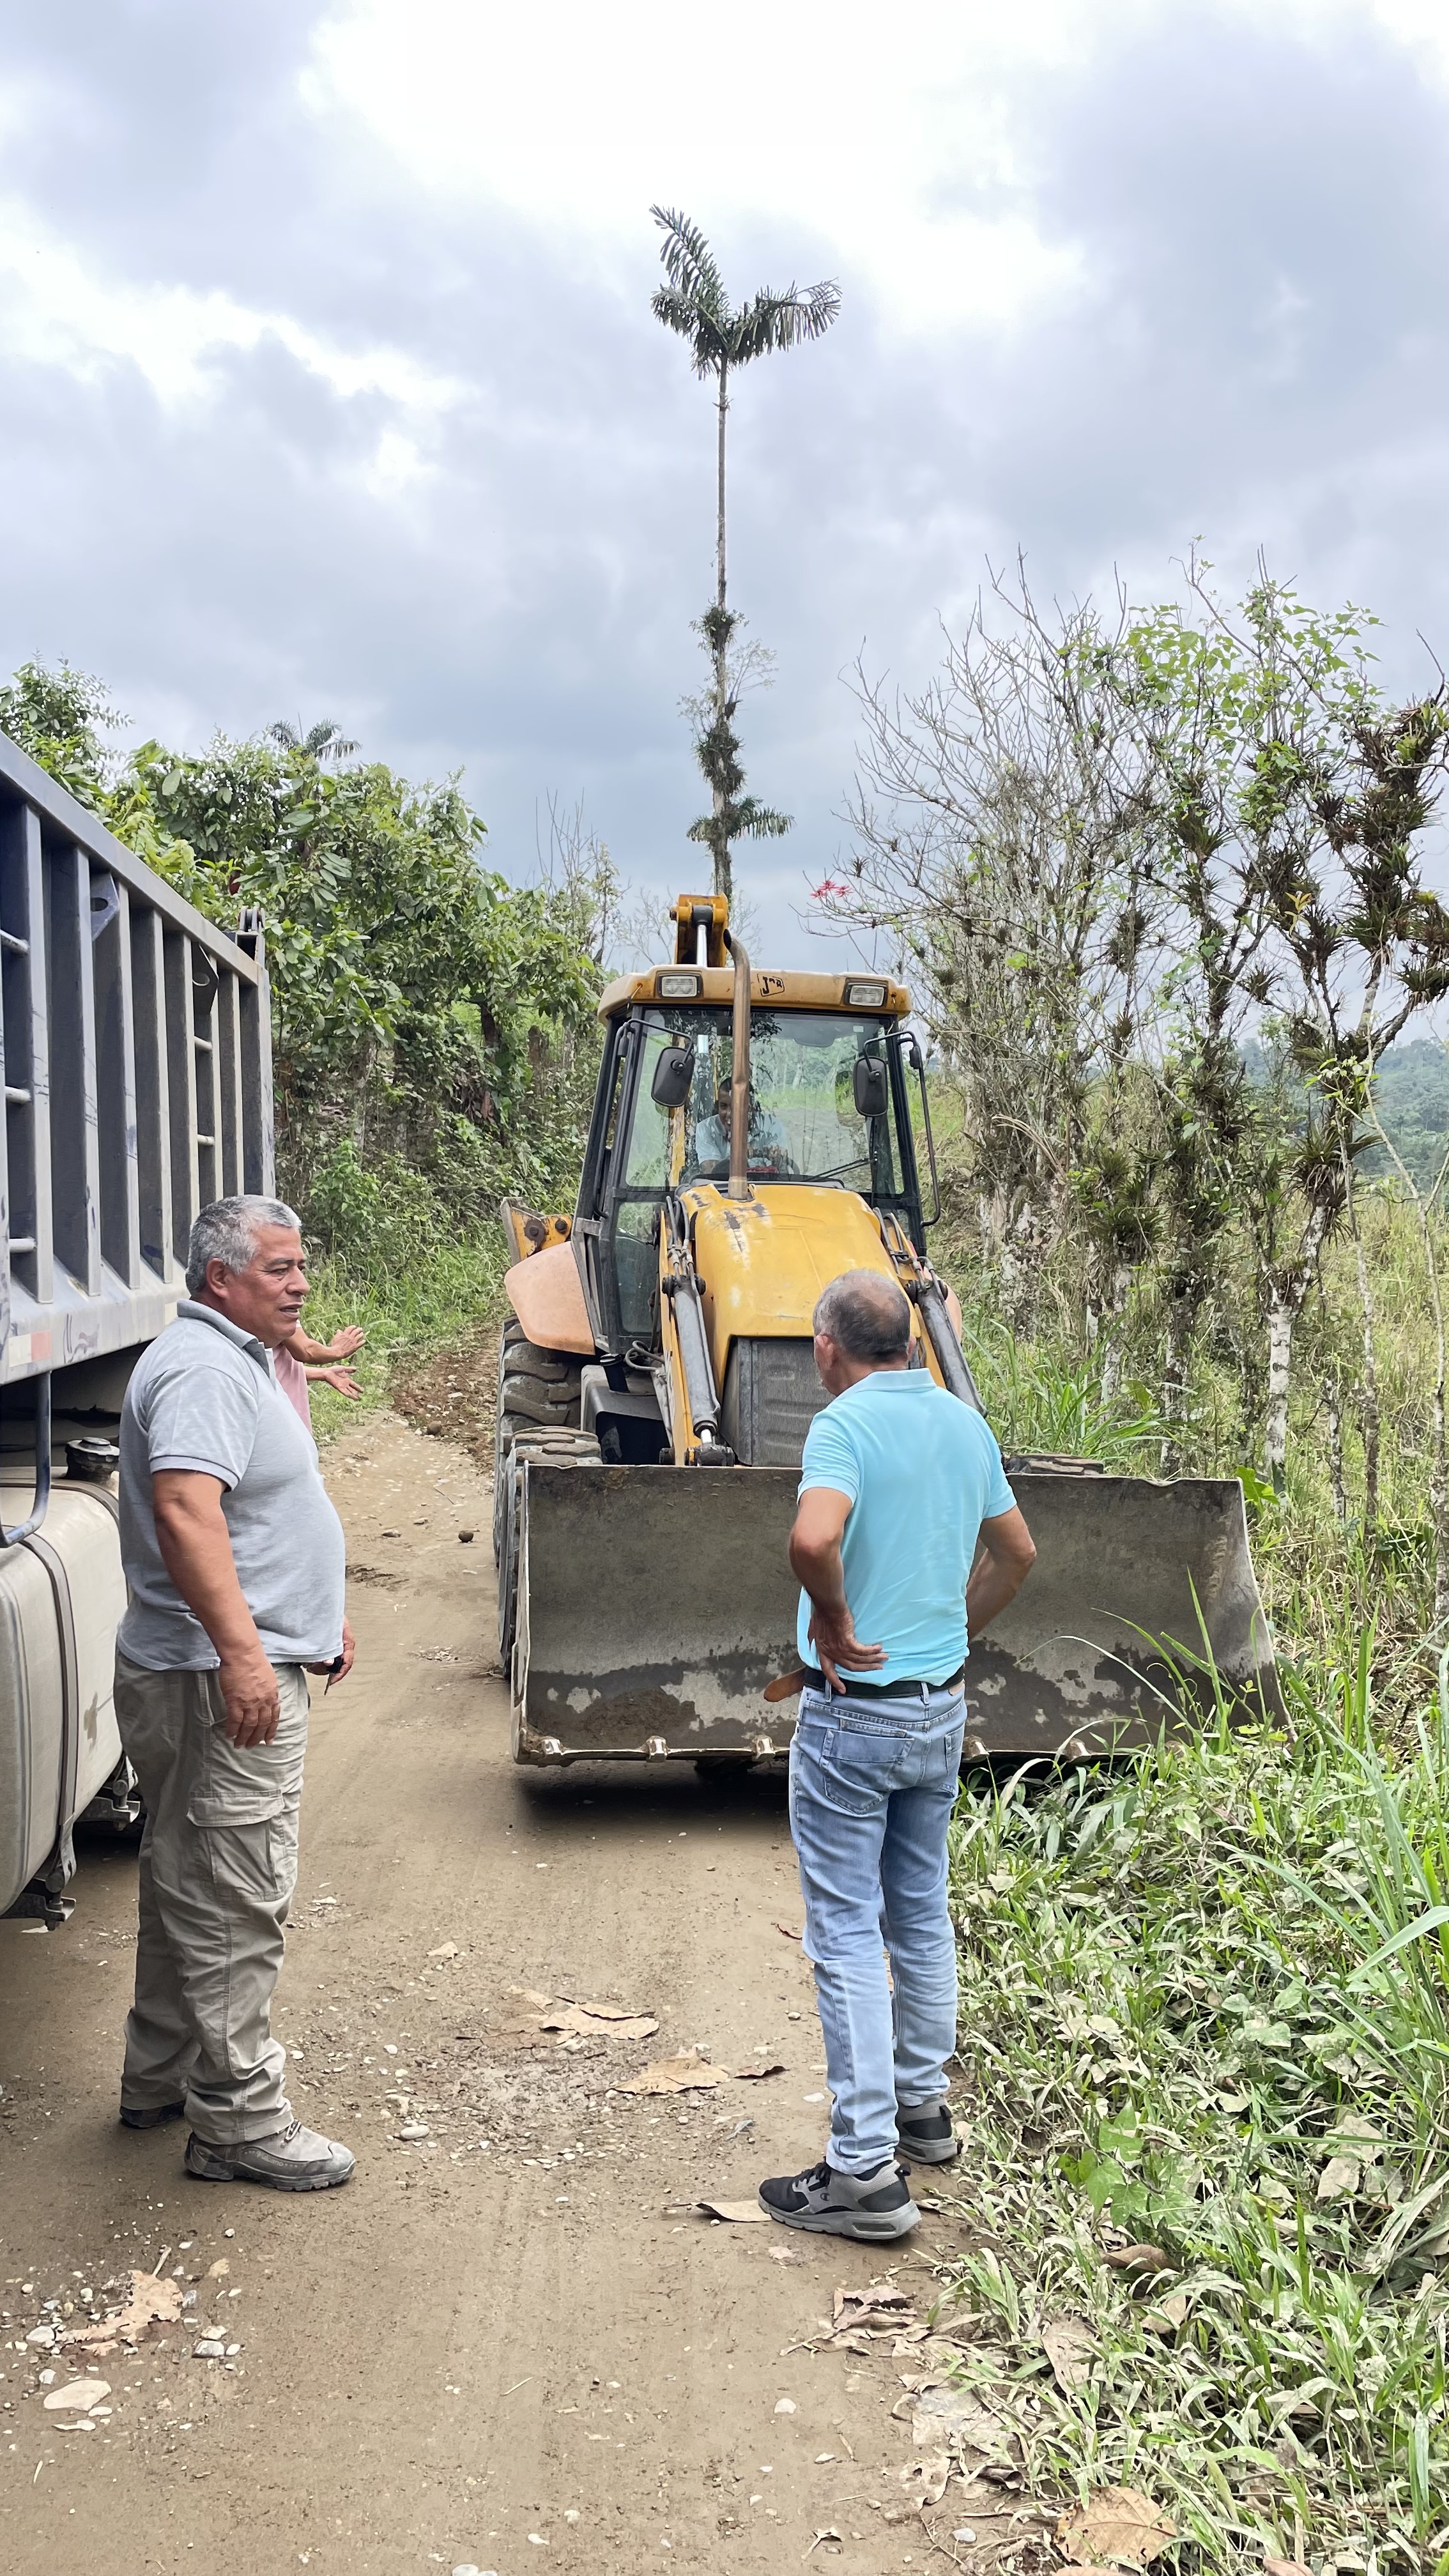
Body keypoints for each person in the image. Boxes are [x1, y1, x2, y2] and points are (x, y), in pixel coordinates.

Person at [759, 1268, 1037, 2241]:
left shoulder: (842, 1428)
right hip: (938, 1711)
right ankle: (922, 2111)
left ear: (826, 1350)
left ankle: (863, 2173)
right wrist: (949, 1633)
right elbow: (1019, 1554)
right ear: (914, 1343)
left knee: (843, 1932)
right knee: (918, 1910)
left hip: (856, 1719)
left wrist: (834, 1620)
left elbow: (813, 1540)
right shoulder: (964, 1425)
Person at [112, 1193, 357, 2192]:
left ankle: (162, 2074)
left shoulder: (234, 1358)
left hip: (209, 1667)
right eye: (278, 1269)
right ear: (221, 1279)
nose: (300, 1285)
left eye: (300, 1266)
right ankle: (239, 2122)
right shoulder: (207, 1370)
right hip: (213, 1681)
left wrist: (313, 1616)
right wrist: (247, 1656)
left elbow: (258, 1512)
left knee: (189, 1870)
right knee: (236, 1894)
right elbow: (184, 1509)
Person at [272, 1321, 366, 1427]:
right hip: (280, 1417)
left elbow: (269, 1367)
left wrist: (323, 1373)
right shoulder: (277, 1311)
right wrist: (338, 1350)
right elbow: (307, 1350)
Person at [692, 1076, 792, 1176]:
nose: (729, 1114)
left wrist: (768, 1153)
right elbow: (713, 1174)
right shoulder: (706, 1128)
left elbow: (782, 1170)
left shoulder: (771, 1126)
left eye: (737, 1107)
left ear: (751, 1108)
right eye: (723, 1106)